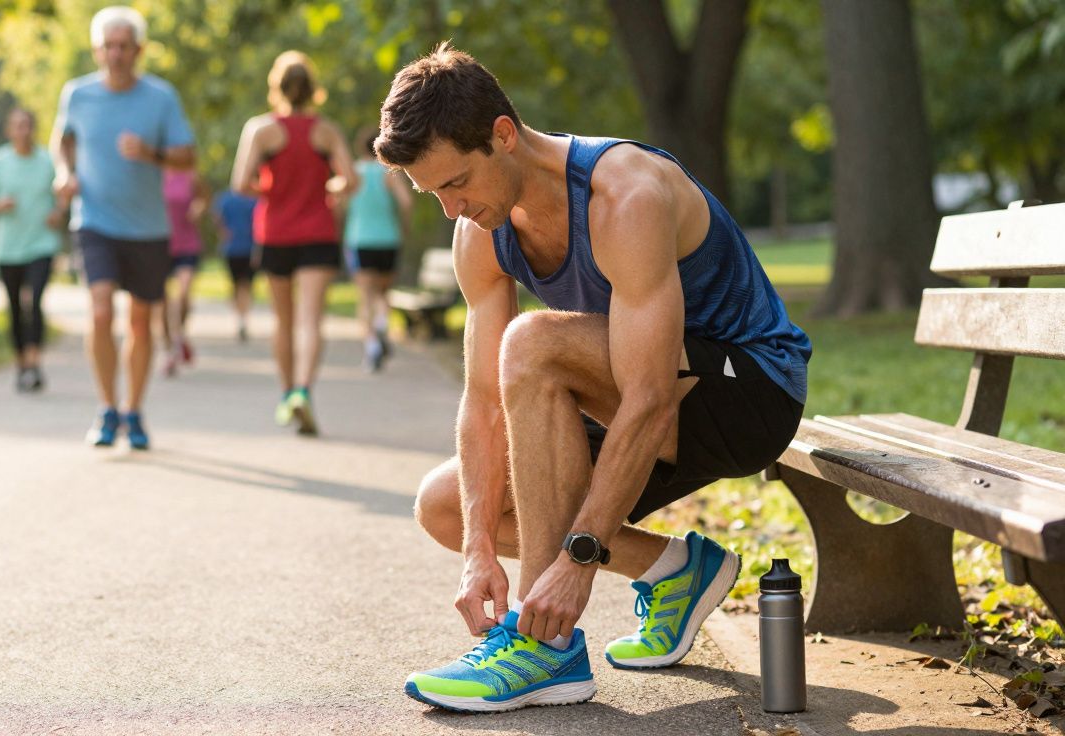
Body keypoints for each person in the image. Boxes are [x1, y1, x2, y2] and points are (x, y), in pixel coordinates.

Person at [377, 45, 812, 713]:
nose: (450, 209)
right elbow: (484, 401)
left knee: (533, 343)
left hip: (748, 387)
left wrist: (579, 561)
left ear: (503, 136)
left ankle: (541, 645)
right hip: (644, 398)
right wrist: (477, 550)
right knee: (449, 504)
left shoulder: (624, 195)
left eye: (456, 182)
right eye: (433, 192)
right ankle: (678, 571)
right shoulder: (479, 232)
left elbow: (650, 400)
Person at [51, 5, 196, 450]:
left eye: (123, 46)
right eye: (108, 46)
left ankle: (133, 411)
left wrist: (149, 153)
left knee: (140, 321)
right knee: (98, 309)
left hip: (147, 227)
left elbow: (187, 157)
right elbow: (62, 139)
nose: (115, 54)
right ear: (97, 50)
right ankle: (106, 408)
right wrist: (62, 172)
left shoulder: (161, 97)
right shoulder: (77, 94)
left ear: (138, 50)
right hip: (94, 221)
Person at [230, 51, 358, 436]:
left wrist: (271, 187)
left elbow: (240, 183)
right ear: (313, 89)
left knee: (283, 320)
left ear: (277, 87)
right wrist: (327, 188)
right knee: (311, 320)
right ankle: (304, 390)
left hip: (276, 233)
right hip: (318, 233)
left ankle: (287, 394)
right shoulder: (327, 131)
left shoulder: (261, 129)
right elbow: (350, 180)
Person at [0, 107, 65, 392]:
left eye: (27, 125)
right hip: (8, 248)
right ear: (8, 130)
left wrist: (58, 212)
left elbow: (62, 194)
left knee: (34, 302)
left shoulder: (48, 161)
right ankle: (21, 363)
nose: (22, 130)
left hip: (41, 244)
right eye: (17, 125)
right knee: (13, 308)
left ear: (33, 129)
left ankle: (34, 364)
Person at [343, 125, 413, 372]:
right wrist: (403, 227)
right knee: (383, 293)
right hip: (388, 239)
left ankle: (371, 346)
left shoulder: (352, 173)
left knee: (366, 295)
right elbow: (406, 202)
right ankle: (383, 322)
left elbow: (337, 202)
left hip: (360, 240)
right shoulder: (390, 172)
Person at [159, 166, 208, 376]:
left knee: (184, 293)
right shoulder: (154, 175)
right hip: (160, 243)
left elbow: (204, 197)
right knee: (161, 302)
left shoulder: (191, 175)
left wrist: (198, 208)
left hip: (187, 243)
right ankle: (169, 349)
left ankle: (179, 334)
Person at [212, 189, 259, 342]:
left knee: (239, 285)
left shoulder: (226, 199)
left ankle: (241, 318)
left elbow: (216, 216)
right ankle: (242, 318)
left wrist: (222, 232)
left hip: (237, 248)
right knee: (245, 285)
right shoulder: (253, 198)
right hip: (245, 248)